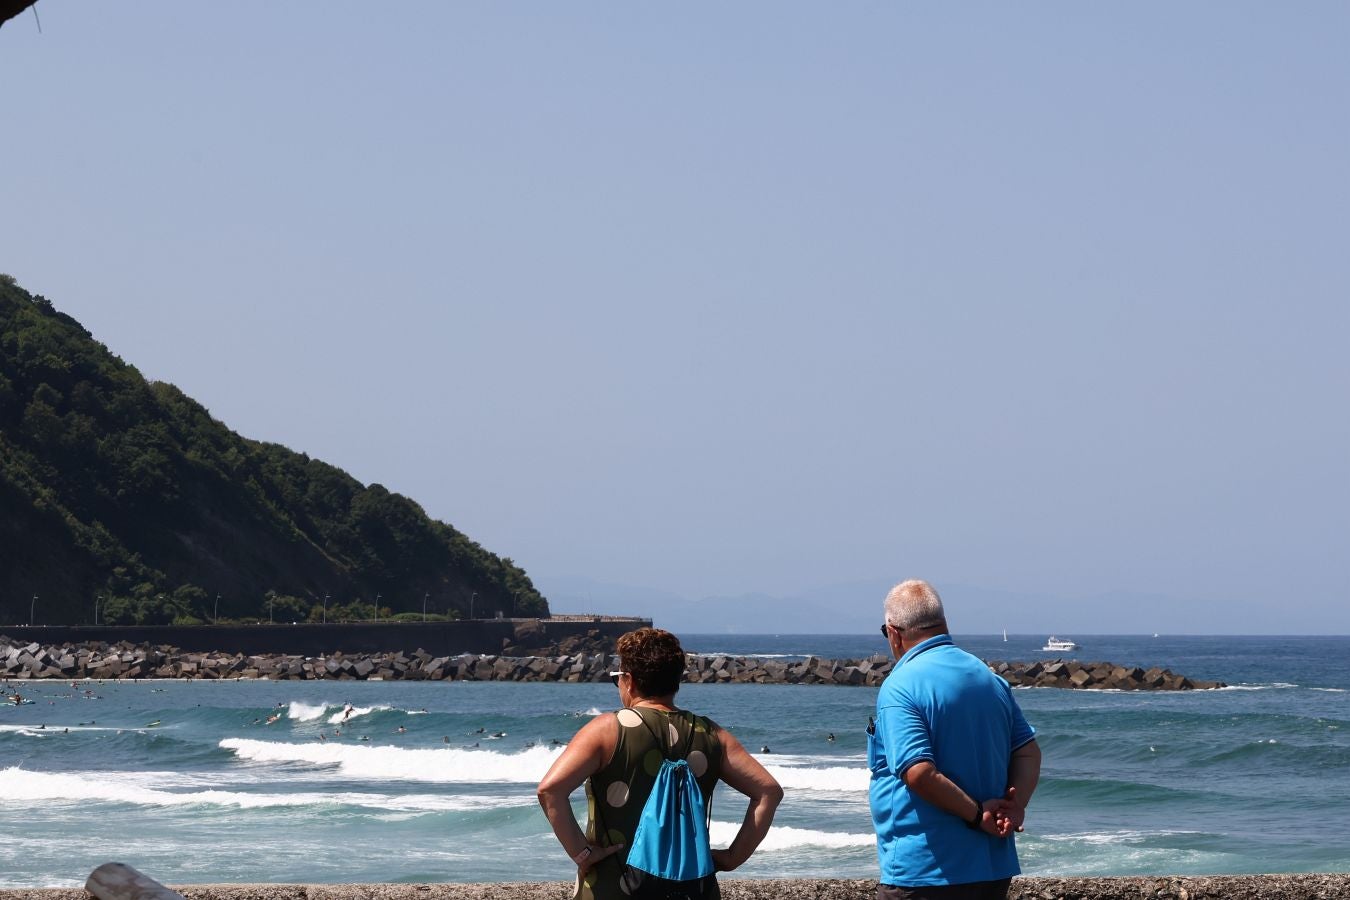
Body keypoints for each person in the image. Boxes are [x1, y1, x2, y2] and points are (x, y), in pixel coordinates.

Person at [538, 627, 783, 900]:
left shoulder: (607, 730)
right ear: (675, 680)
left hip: (615, 888)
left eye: (617, 678)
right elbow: (768, 791)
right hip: (693, 889)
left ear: (629, 680)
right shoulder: (710, 733)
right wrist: (732, 857)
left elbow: (550, 791)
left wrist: (582, 853)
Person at [870, 580, 1041, 900]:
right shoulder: (988, 679)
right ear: (943, 624)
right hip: (991, 870)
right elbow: (1029, 753)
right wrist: (1013, 808)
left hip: (924, 870)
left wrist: (979, 815)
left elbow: (918, 771)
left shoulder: (900, 686)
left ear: (893, 633)